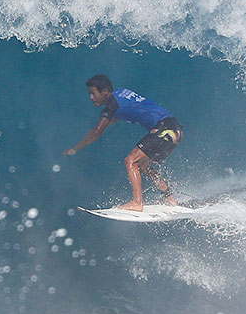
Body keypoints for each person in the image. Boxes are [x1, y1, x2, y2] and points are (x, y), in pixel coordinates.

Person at [64, 74, 183, 212]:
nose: (91, 97)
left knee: (131, 161)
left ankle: (137, 203)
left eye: (93, 93)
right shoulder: (120, 93)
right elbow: (129, 109)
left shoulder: (111, 105)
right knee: (143, 165)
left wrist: (75, 148)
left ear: (105, 92)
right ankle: (168, 197)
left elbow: (96, 132)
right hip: (175, 129)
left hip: (165, 130)